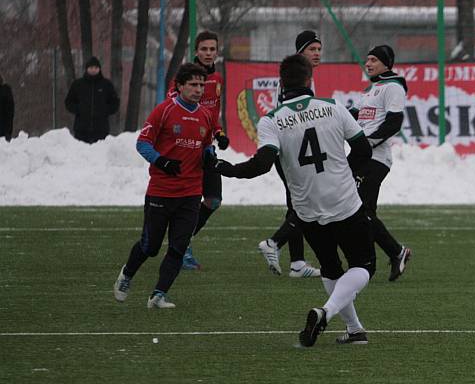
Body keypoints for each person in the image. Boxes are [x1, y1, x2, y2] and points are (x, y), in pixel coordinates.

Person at [217, 54, 375, 347]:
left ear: (281, 83)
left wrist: (227, 169)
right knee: (364, 265)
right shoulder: (332, 106)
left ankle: (355, 330)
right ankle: (326, 312)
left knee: (330, 267)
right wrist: (345, 174)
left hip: (306, 208)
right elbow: (364, 151)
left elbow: (262, 164)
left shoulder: (271, 120)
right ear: (308, 80)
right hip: (343, 201)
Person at [113, 63, 217, 309]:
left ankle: (158, 294)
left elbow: (206, 145)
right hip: (161, 191)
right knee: (150, 247)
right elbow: (143, 143)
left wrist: (209, 154)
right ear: (180, 86)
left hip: (191, 193)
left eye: (201, 85)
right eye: (193, 84)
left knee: (179, 247)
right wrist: (162, 161)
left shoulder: (205, 115)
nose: (198, 89)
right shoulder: (164, 110)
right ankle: (127, 274)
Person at [256, 30, 323, 279]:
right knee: (304, 203)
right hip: (288, 150)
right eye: (312, 49)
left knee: (297, 203)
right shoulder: (294, 80)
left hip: (292, 150)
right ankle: (273, 243)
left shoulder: (304, 77)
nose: (317, 53)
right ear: (300, 53)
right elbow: (290, 117)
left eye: (318, 49)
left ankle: (297, 263)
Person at [350, 44, 412, 282]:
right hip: (359, 155)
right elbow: (350, 116)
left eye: (374, 60)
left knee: (359, 210)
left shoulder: (393, 87)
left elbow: (394, 122)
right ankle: (384, 258)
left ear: (387, 63)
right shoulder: (370, 90)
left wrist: (368, 143)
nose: (368, 64)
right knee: (362, 212)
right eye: (367, 60)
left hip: (375, 158)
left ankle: (385, 256)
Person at [174, 30, 230, 270]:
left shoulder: (217, 77)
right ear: (196, 51)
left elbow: (211, 113)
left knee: (213, 199)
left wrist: (219, 132)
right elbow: (173, 107)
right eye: (204, 49)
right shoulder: (185, 76)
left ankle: (181, 240)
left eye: (212, 49)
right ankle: (182, 248)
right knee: (188, 200)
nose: (208, 53)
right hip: (186, 149)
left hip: (206, 148)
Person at [65, 56, 120, 143]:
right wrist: (79, 109)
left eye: (96, 68)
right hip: (81, 130)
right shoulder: (78, 84)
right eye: (91, 67)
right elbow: (68, 102)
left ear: (99, 69)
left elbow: (115, 103)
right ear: (87, 69)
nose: (93, 70)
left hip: (101, 130)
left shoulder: (106, 85)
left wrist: (105, 110)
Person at [0, 75, 13, 141]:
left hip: (4, 128)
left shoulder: (6, 90)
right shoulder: (6, 90)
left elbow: (10, 111)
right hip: (5, 128)